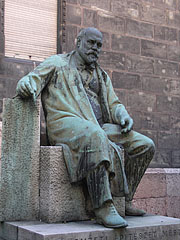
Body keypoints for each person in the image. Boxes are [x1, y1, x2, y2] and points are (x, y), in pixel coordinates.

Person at [16, 27, 155, 228]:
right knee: (95, 135)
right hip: (66, 123)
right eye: (91, 43)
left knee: (145, 145)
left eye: (99, 45)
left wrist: (122, 115)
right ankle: (102, 206)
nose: (95, 48)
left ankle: (125, 200)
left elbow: (113, 103)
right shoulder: (57, 63)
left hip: (96, 125)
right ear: (78, 41)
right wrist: (25, 84)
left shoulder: (101, 75)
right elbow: (32, 79)